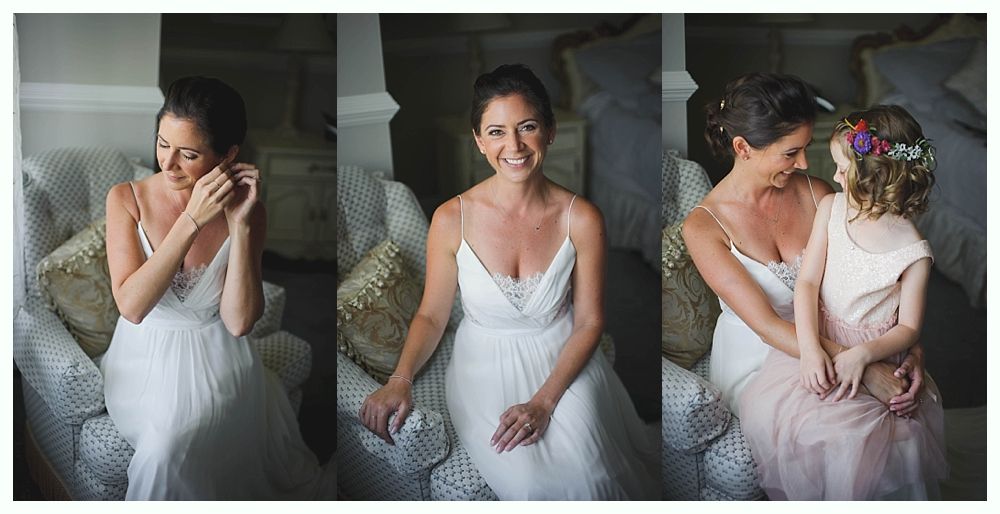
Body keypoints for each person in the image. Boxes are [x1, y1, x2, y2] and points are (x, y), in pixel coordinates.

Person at [358, 64, 658, 500]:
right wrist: (399, 379)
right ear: (479, 141)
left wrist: (544, 402)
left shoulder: (582, 218)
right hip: (484, 364)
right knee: (530, 483)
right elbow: (432, 314)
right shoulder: (451, 218)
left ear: (550, 132)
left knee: (593, 475)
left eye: (527, 127)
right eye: (496, 132)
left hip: (563, 359)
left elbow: (590, 321)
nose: (513, 146)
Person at [683, 73, 930, 491]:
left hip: (843, 333)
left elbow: (876, 279)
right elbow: (766, 325)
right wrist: (868, 370)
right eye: (790, 152)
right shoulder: (704, 227)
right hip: (761, 356)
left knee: (898, 431)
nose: (803, 164)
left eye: (806, 148)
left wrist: (909, 351)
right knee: (844, 437)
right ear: (742, 148)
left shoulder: (819, 194)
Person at [101, 76, 332, 500]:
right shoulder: (125, 199)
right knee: (166, 447)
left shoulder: (251, 212)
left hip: (221, 357)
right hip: (142, 362)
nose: (168, 164)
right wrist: (191, 221)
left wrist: (240, 227)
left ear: (228, 155)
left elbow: (239, 322)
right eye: (162, 144)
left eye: (188, 154)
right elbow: (132, 307)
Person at [740, 105, 947, 499]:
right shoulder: (832, 209)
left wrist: (864, 355)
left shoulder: (914, 252)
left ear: (875, 176)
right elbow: (807, 284)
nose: (833, 177)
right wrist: (809, 349)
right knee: (804, 424)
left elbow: (908, 327)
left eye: (841, 168)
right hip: (820, 337)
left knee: (873, 444)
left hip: (877, 351)